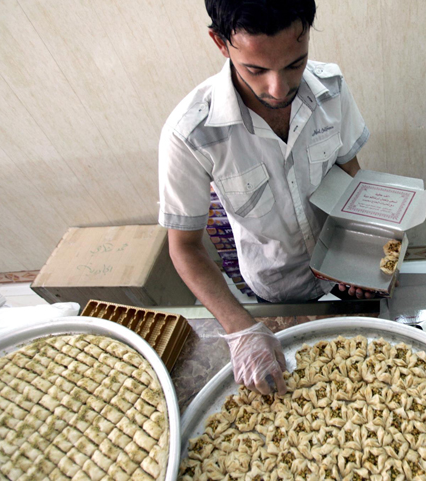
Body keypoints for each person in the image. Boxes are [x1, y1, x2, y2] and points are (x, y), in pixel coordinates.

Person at [158, 0, 370, 395]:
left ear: (308, 31)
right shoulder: (191, 133)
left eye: (295, 64)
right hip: (278, 287)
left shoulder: (332, 89)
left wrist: (358, 249)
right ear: (220, 44)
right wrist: (240, 330)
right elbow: (184, 248)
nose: (279, 89)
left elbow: (349, 169)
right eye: (256, 70)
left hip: (340, 269)